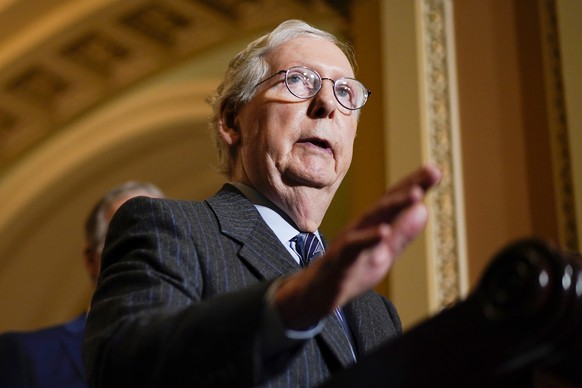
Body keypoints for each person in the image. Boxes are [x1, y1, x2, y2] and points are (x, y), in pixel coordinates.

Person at [84, 19, 441, 387]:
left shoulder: (377, 310)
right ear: (231, 120)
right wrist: (288, 307)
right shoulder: (169, 228)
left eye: (345, 93)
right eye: (300, 80)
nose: (326, 105)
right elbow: (120, 366)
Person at [0, 181, 164, 388]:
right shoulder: (29, 356)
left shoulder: (202, 349)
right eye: (127, 241)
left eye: (161, 240)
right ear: (90, 259)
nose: (147, 254)